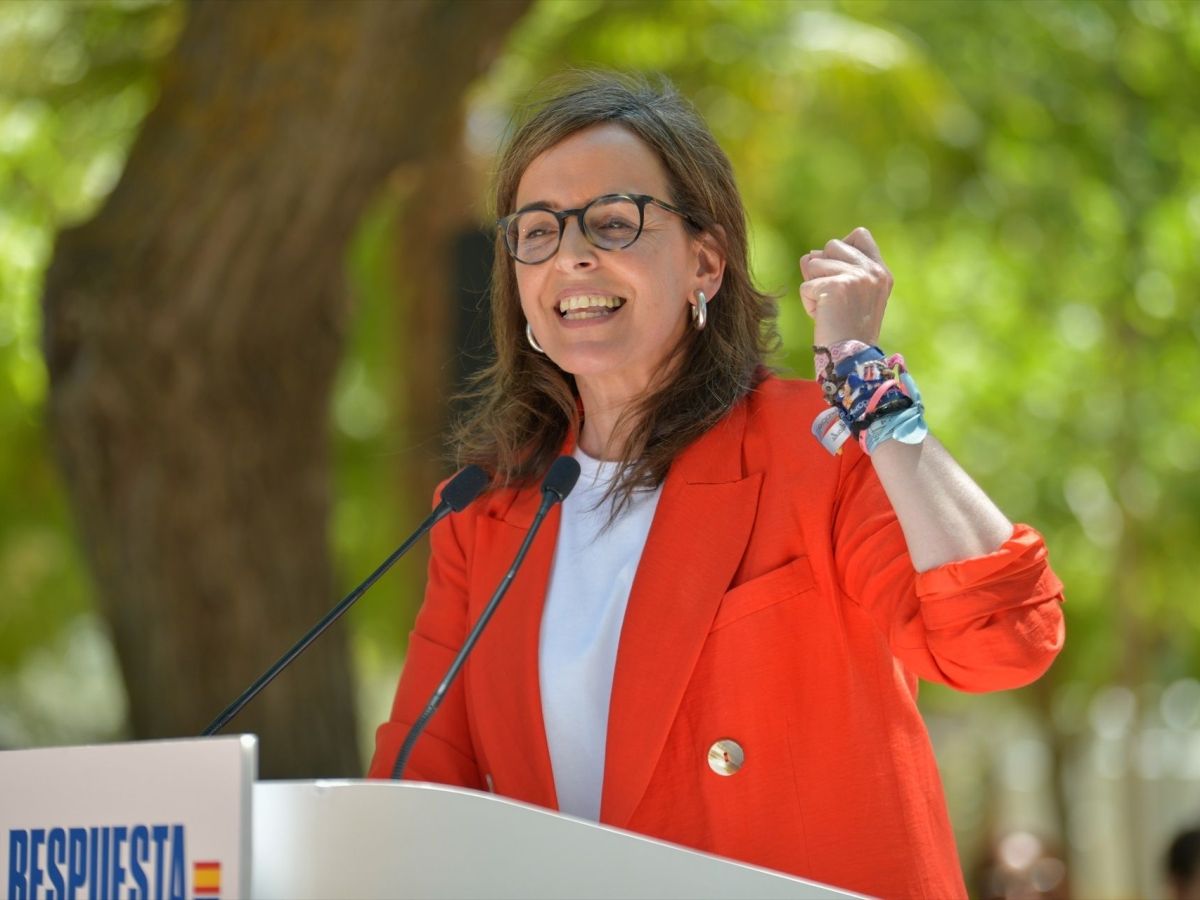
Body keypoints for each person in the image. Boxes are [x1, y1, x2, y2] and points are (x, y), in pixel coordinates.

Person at [368, 72, 1065, 899]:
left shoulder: (817, 450)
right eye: (539, 231)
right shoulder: (480, 511)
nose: (572, 255)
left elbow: (1003, 640)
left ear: (705, 262)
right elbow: (416, 790)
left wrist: (867, 388)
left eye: (614, 222)